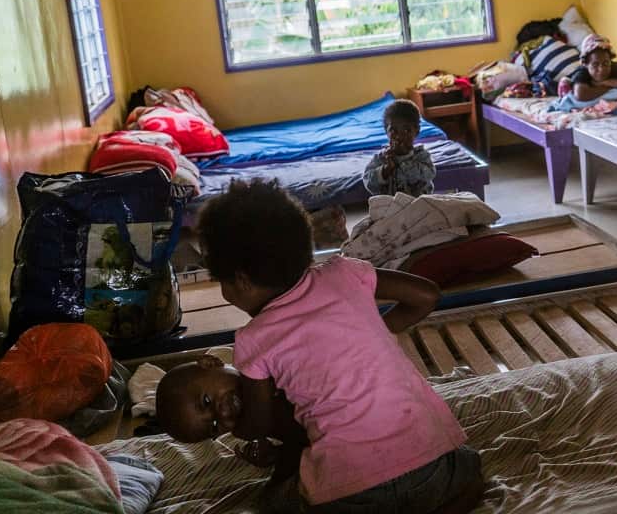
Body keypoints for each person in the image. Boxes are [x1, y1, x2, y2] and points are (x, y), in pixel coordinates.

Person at [156, 180, 484, 514]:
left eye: (208, 402)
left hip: (355, 495)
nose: (221, 413)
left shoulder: (254, 340)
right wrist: (372, 333)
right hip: (436, 471)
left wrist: (240, 431)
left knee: (274, 502)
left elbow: (257, 423)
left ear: (241, 281)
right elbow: (427, 296)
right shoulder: (344, 272)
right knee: (468, 469)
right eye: (214, 423)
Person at [363, 99, 436, 196]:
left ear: (417, 131)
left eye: (406, 130)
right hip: (390, 204)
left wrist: (404, 158)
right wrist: (386, 169)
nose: (399, 136)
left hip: (418, 203)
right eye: (393, 131)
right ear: (386, 132)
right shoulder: (381, 158)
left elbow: (428, 175)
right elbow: (369, 183)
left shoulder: (421, 155)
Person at [569, 34, 617, 102]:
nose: (601, 69)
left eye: (606, 63)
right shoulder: (582, 72)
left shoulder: (614, 67)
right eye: (595, 65)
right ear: (586, 64)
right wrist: (611, 86)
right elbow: (581, 95)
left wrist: (607, 82)